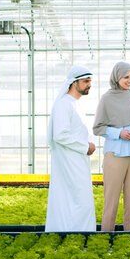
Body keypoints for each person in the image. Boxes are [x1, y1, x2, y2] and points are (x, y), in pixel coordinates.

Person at [93, 61, 130, 231]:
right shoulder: (107, 99)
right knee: (111, 201)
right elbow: (98, 127)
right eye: (126, 77)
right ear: (117, 77)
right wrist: (119, 133)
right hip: (115, 155)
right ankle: (105, 237)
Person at [45, 65, 97, 232]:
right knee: (74, 199)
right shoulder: (64, 104)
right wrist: (85, 146)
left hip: (77, 160)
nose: (89, 84)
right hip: (69, 161)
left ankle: (81, 235)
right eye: (86, 81)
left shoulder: (75, 104)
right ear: (74, 83)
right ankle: (70, 234)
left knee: (79, 199)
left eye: (90, 81)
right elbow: (60, 135)